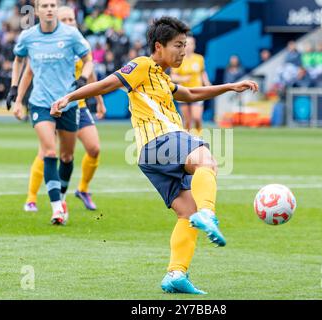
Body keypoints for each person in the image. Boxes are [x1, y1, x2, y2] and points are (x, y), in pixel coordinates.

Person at [51, 16, 258, 294]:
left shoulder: (161, 76)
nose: (183, 51)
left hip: (151, 156)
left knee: (187, 212)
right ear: (158, 46)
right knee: (206, 160)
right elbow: (106, 84)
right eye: (178, 45)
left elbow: (191, 93)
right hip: (160, 141)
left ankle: (175, 274)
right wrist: (69, 97)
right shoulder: (142, 65)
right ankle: (209, 213)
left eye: (185, 45)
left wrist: (229, 87)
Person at [8, 0, 93, 225]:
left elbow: (89, 59)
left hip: (67, 104)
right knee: (49, 152)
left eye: (52, 5)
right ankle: (56, 208)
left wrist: (83, 79)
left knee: (67, 156)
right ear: (36, 10)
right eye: (44, 5)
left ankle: (62, 197)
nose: (49, 9)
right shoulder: (28, 37)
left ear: (56, 8)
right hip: (40, 104)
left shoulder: (71, 35)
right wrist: (15, 92)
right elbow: (18, 61)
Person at [171, 36, 211, 136]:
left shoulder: (199, 58)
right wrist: (182, 79)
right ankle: (188, 141)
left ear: (195, 45)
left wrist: (207, 83)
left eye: (191, 44)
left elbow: (202, 73)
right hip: (183, 92)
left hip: (197, 91)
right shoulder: (179, 58)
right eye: (186, 44)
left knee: (197, 117)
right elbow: (173, 76)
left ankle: (199, 136)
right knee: (187, 121)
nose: (189, 46)